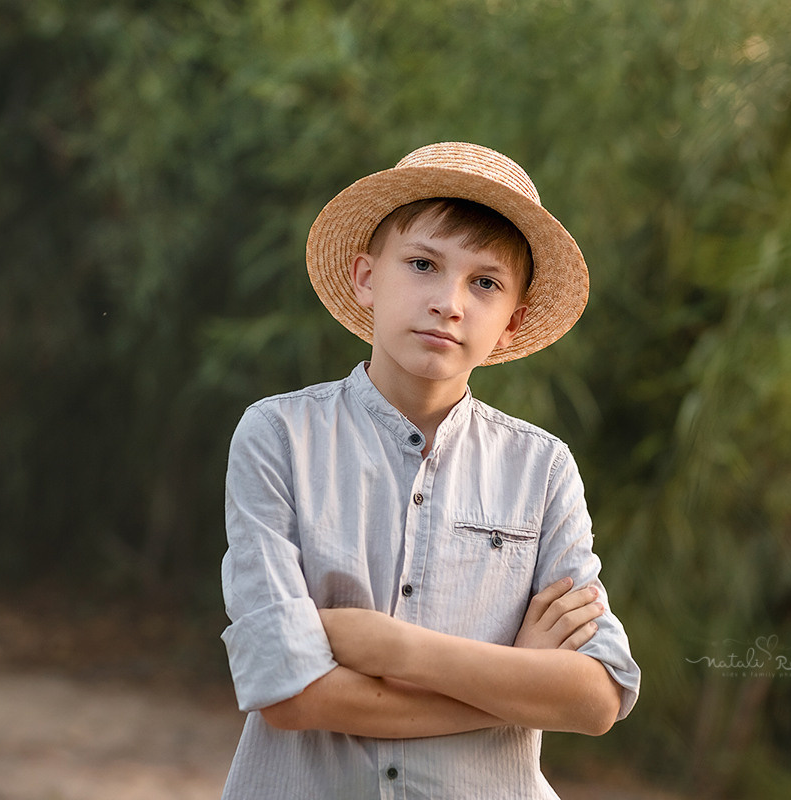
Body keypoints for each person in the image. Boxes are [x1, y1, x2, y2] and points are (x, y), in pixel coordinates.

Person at [220, 142, 641, 799]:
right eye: (423, 264)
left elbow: (597, 695)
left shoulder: (543, 469)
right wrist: (520, 680)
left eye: (486, 283)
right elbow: (289, 692)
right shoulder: (279, 437)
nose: (450, 302)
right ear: (366, 277)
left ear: (513, 322)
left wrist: (391, 648)